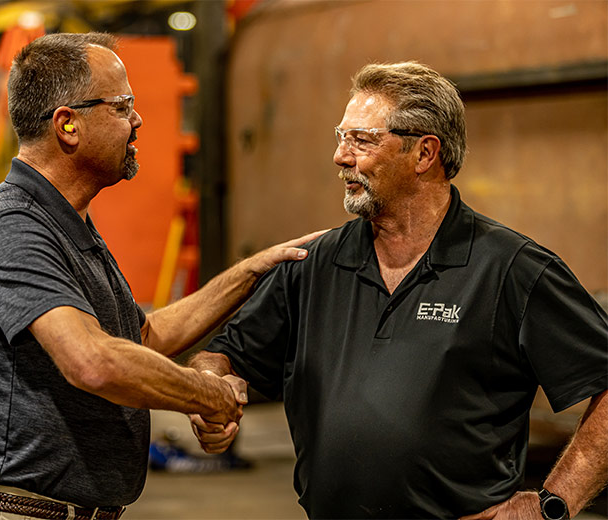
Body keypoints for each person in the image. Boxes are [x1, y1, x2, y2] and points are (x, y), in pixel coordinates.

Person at [188, 61, 608, 519]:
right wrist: (210, 388)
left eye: (362, 140)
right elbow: (226, 354)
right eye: (340, 136)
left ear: (424, 154)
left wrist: (553, 503)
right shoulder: (313, 264)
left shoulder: (512, 269)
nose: (340, 156)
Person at [0, 32, 322, 520]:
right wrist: (206, 395)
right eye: (122, 107)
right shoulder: (13, 227)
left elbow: (141, 338)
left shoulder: (69, 223)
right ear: (68, 125)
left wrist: (249, 272)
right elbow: (92, 360)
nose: (137, 121)